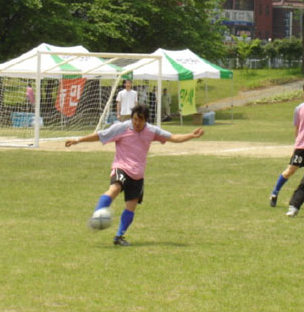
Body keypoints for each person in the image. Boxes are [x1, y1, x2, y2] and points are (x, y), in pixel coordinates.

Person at [65, 104, 204, 246]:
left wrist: (191, 135)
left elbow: (173, 137)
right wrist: (78, 140)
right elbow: (100, 135)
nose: (137, 123)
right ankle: (97, 215)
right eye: (135, 119)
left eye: (140, 120)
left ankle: (119, 237)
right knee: (115, 188)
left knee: (131, 206)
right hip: (121, 168)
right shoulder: (122, 127)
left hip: (138, 174)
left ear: (146, 120)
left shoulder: (151, 131)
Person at [269, 81, 304, 208]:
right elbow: (297, 127)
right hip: (301, 146)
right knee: (290, 170)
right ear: (303, 92)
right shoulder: (299, 108)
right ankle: (274, 193)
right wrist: (298, 141)